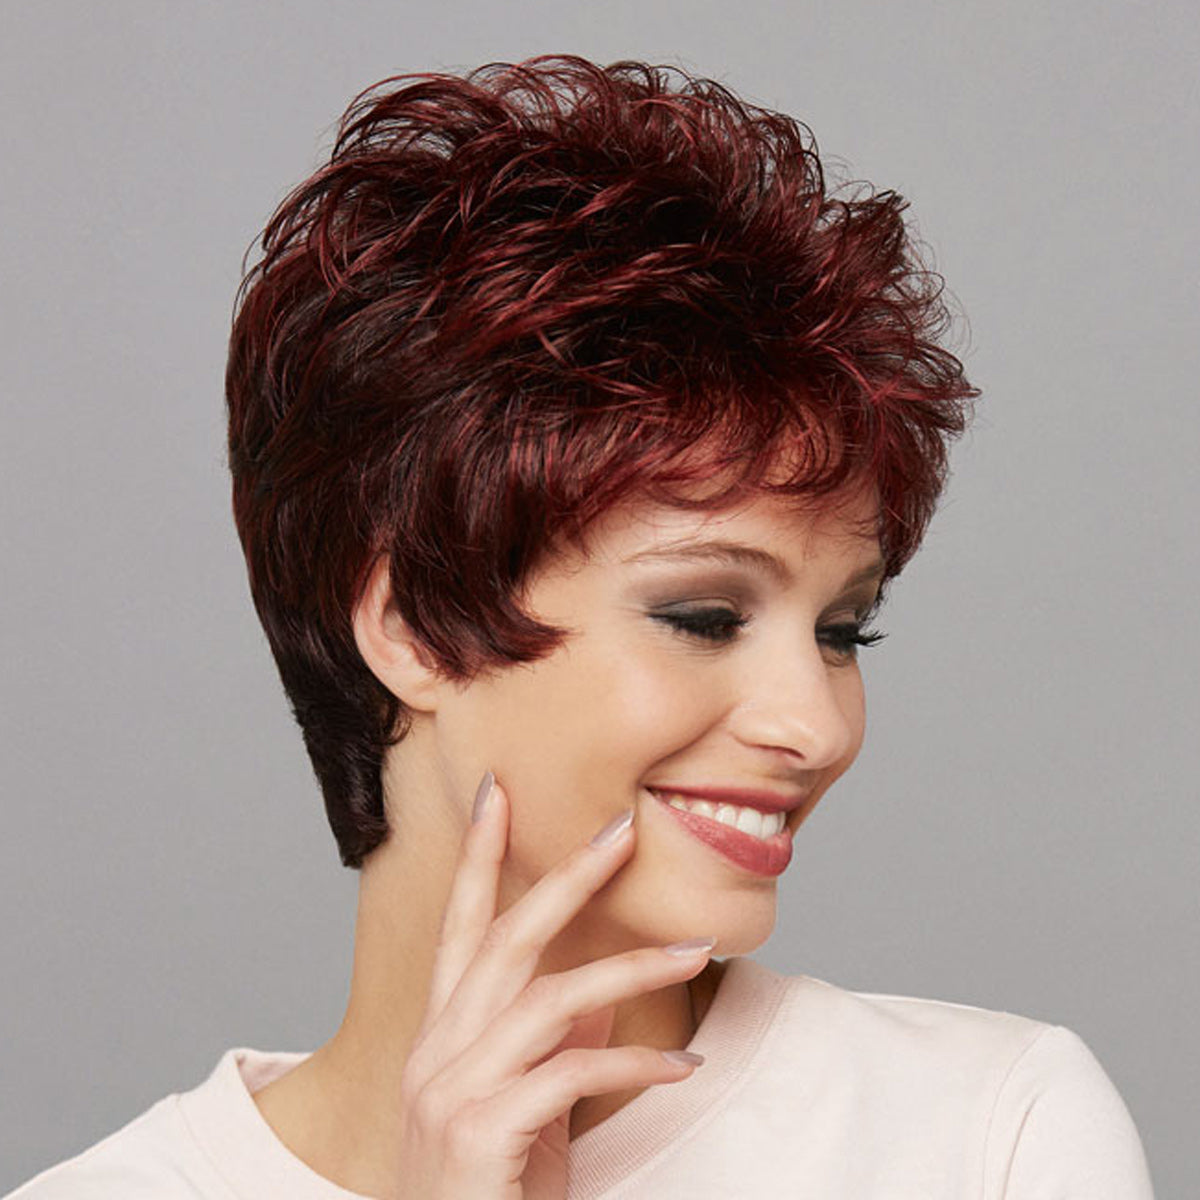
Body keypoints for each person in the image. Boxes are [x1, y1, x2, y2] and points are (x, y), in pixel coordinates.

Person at [7, 54, 1153, 1200]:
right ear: (412, 626)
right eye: (706, 616)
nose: (817, 727)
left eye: (843, 631)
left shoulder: (988, 1135)